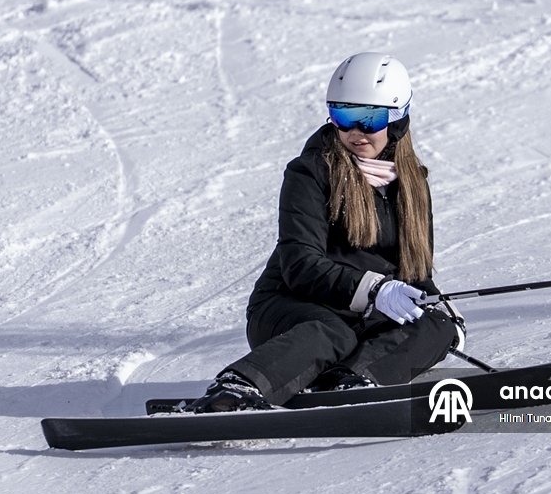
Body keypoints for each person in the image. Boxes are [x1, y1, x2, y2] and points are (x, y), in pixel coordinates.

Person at [186, 52, 464, 414]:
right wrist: (375, 289)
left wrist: (438, 309)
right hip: (291, 310)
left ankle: (352, 381)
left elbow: (414, 274)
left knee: (436, 325)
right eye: (343, 116)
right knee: (331, 331)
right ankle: (237, 389)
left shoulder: (413, 185)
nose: (354, 132)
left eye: (369, 119)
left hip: (361, 315)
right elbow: (300, 265)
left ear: (398, 120)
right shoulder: (310, 173)